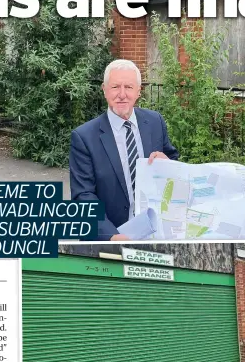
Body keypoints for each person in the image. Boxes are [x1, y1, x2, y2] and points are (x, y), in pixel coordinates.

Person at [70, 59, 179, 241]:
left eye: (128, 87)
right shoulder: (84, 137)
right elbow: (83, 196)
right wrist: (112, 236)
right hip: (111, 236)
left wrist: (167, 165)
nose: (122, 94)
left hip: (156, 231)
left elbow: (175, 164)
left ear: (138, 91)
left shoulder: (155, 122)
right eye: (115, 87)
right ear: (104, 90)